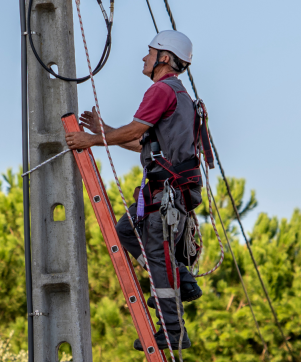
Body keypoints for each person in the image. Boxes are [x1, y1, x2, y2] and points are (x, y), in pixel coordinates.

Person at [65, 30, 204, 351]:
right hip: (169, 192)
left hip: (166, 194)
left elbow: (136, 130)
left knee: (158, 259)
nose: (144, 57)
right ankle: (181, 277)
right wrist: (105, 132)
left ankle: (173, 330)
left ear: (164, 58)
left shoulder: (161, 90)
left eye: (150, 53)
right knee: (126, 231)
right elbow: (142, 142)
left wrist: (92, 140)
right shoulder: (179, 94)